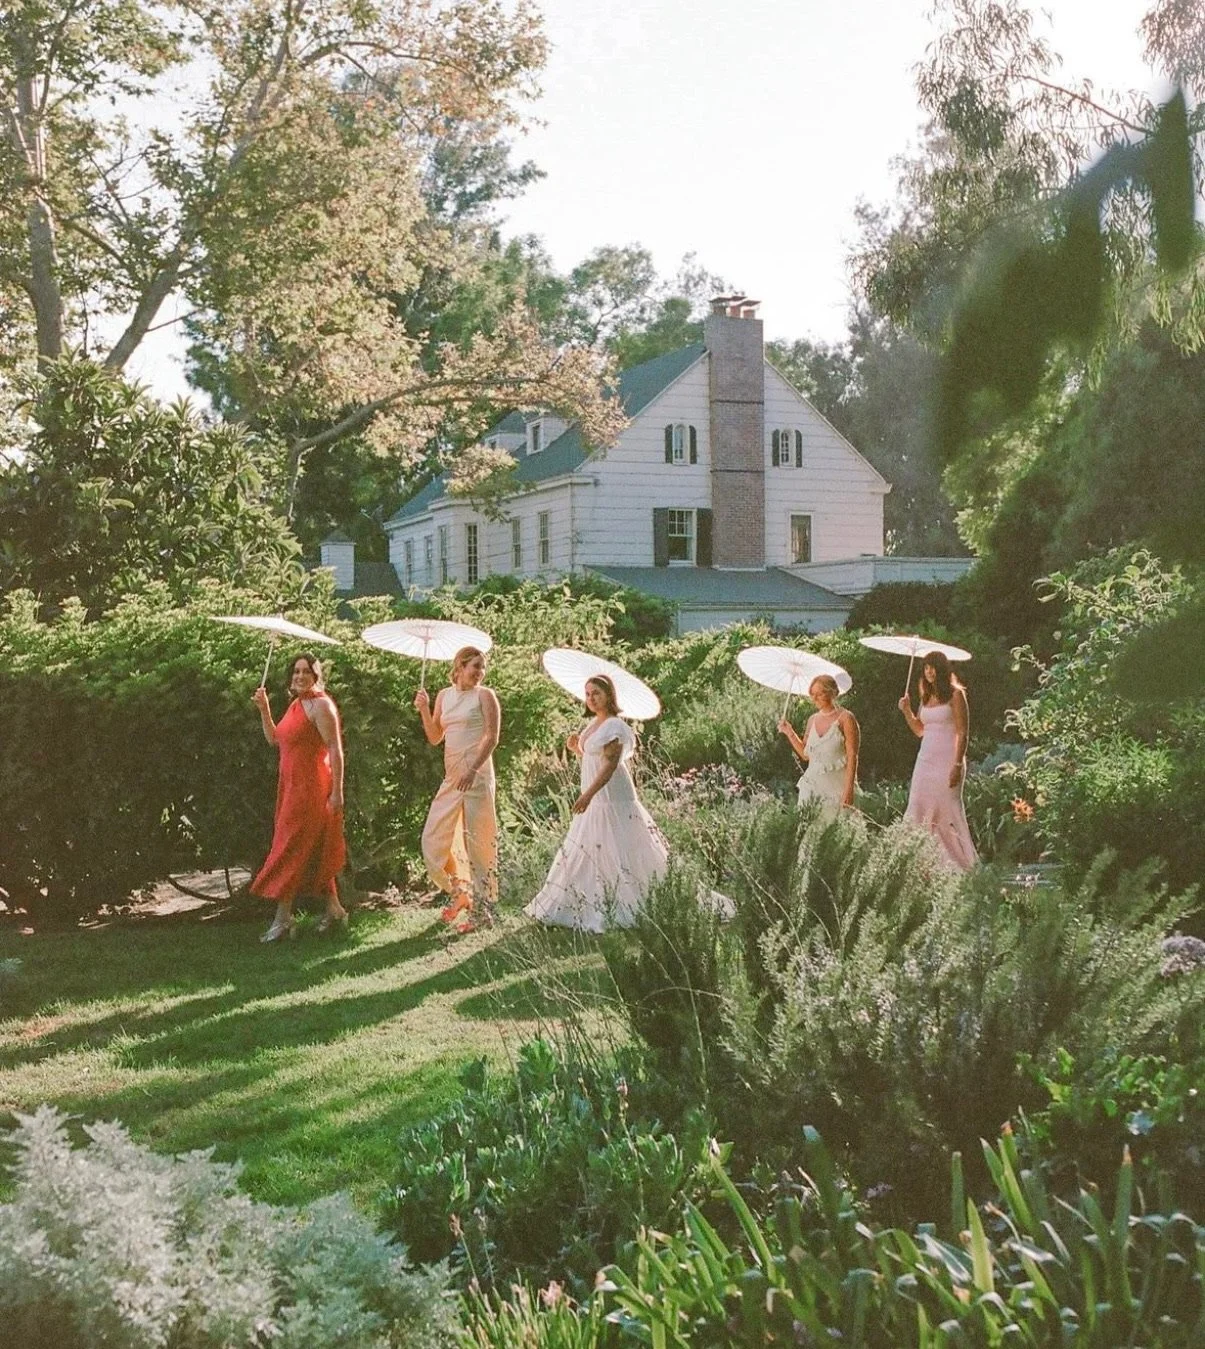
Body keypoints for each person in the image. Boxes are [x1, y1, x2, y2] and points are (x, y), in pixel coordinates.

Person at [525, 675, 668, 933]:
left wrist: (589, 794)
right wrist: (576, 749)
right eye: (588, 694)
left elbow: (611, 765)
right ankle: (584, 901)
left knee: (618, 842)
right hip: (594, 790)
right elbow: (595, 757)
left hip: (611, 794)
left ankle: (625, 900)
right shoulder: (594, 723)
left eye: (597, 694)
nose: (591, 699)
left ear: (609, 696)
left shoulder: (614, 725)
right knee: (590, 842)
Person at [251, 653, 348, 942]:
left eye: (306, 671)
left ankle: (283, 920)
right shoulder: (297, 704)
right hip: (291, 789)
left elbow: (335, 749)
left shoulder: (321, 705)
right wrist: (264, 709)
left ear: (316, 676)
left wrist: (337, 791)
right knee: (313, 849)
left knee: (290, 849)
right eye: (296, 672)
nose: (300, 676)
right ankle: (335, 911)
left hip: (312, 790)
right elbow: (275, 739)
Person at [414, 646, 500, 933]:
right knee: (433, 839)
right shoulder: (443, 696)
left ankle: (483, 910)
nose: (480, 672)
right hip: (452, 778)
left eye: (482, 667)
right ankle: (460, 891)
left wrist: (472, 769)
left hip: (476, 776)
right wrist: (425, 710)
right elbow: (435, 737)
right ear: (460, 667)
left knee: (479, 843)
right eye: (475, 666)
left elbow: (492, 737)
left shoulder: (485, 696)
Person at [898, 650, 978, 871]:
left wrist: (958, 764)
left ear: (942, 669)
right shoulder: (926, 698)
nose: (929, 671)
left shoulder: (955, 695)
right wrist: (906, 711)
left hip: (948, 762)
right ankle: (921, 866)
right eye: (925, 667)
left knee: (947, 811)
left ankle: (959, 867)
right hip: (925, 761)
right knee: (918, 808)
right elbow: (920, 730)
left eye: (933, 667)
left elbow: (963, 733)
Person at [777, 675, 860, 819]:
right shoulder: (812, 720)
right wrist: (789, 732)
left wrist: (849, 790)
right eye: (812, 694)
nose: (814, 698)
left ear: (832, 693)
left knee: (838, 832)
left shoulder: (846, 718)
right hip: (812, 786)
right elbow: (805, 754)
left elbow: (853, 756)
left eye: (819, 694)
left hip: (837, 789)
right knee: (808, 833)